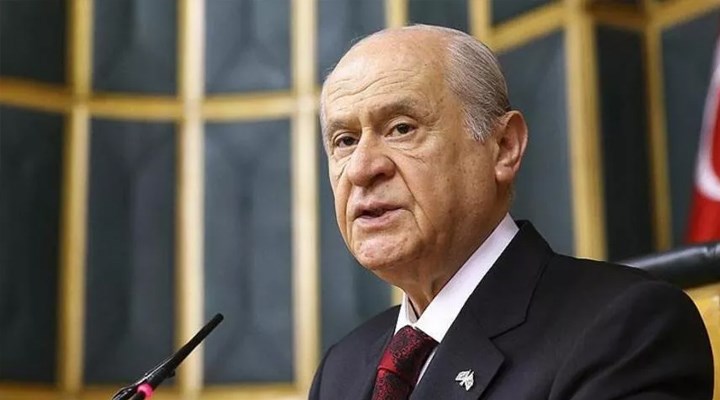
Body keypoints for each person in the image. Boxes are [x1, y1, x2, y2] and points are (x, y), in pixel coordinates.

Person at [310, 24, 713, 400]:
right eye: (345, 141)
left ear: (503, 147)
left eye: (401, 128)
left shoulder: (626, 330)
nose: (362, 169)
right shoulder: (340, 370)